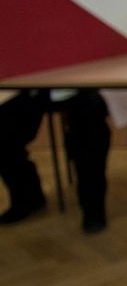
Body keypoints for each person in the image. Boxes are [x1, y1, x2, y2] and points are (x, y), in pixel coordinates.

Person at [0, 89, 111, 234]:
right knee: (3, 129)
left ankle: (93, 208)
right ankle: (27, 198)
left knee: (90, 127)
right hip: (29, 86)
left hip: (85, 86)